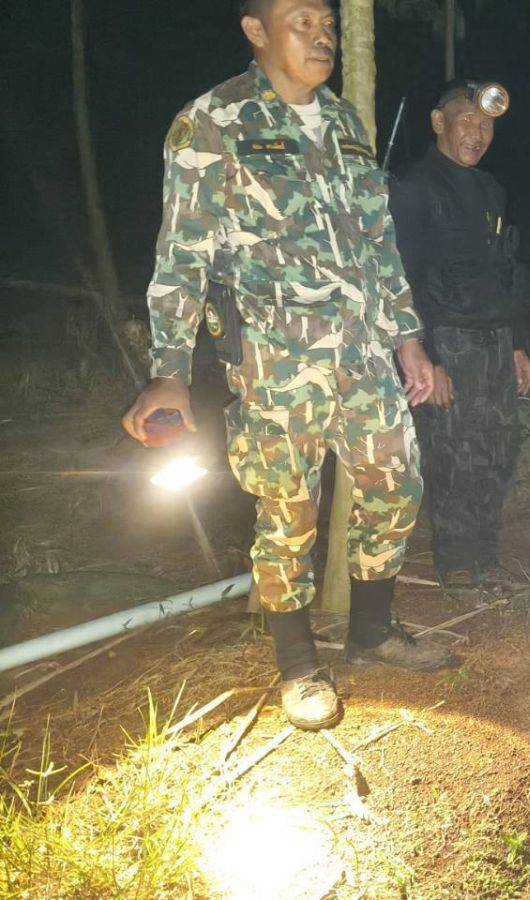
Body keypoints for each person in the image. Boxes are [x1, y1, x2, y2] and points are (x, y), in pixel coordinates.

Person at [122, 0, 453, 732]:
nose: (322, 35)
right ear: (256, 30)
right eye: (302, 21)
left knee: (397, 482)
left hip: (362, 349)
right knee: (287, 508)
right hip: (275, 355)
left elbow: (378, 241)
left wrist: (407, 338)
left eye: (327, 22)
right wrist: (170, 367)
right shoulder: (212, 120)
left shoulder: (344, 122)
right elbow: (181, 255)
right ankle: (299, 666)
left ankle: (372, 630)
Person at [390, 78, 530, 596]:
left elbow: (506, 269)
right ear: (438, 122)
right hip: (445, 338)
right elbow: (406, 273)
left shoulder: (490, 189)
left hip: (495, 336)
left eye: (486, 124)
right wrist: (427, 353)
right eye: (466, 120)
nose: (477, 133)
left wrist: (517, 343)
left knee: (499, 449)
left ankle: (485, 555)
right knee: (453, 453)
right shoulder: (412, 185)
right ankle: (456, 562)